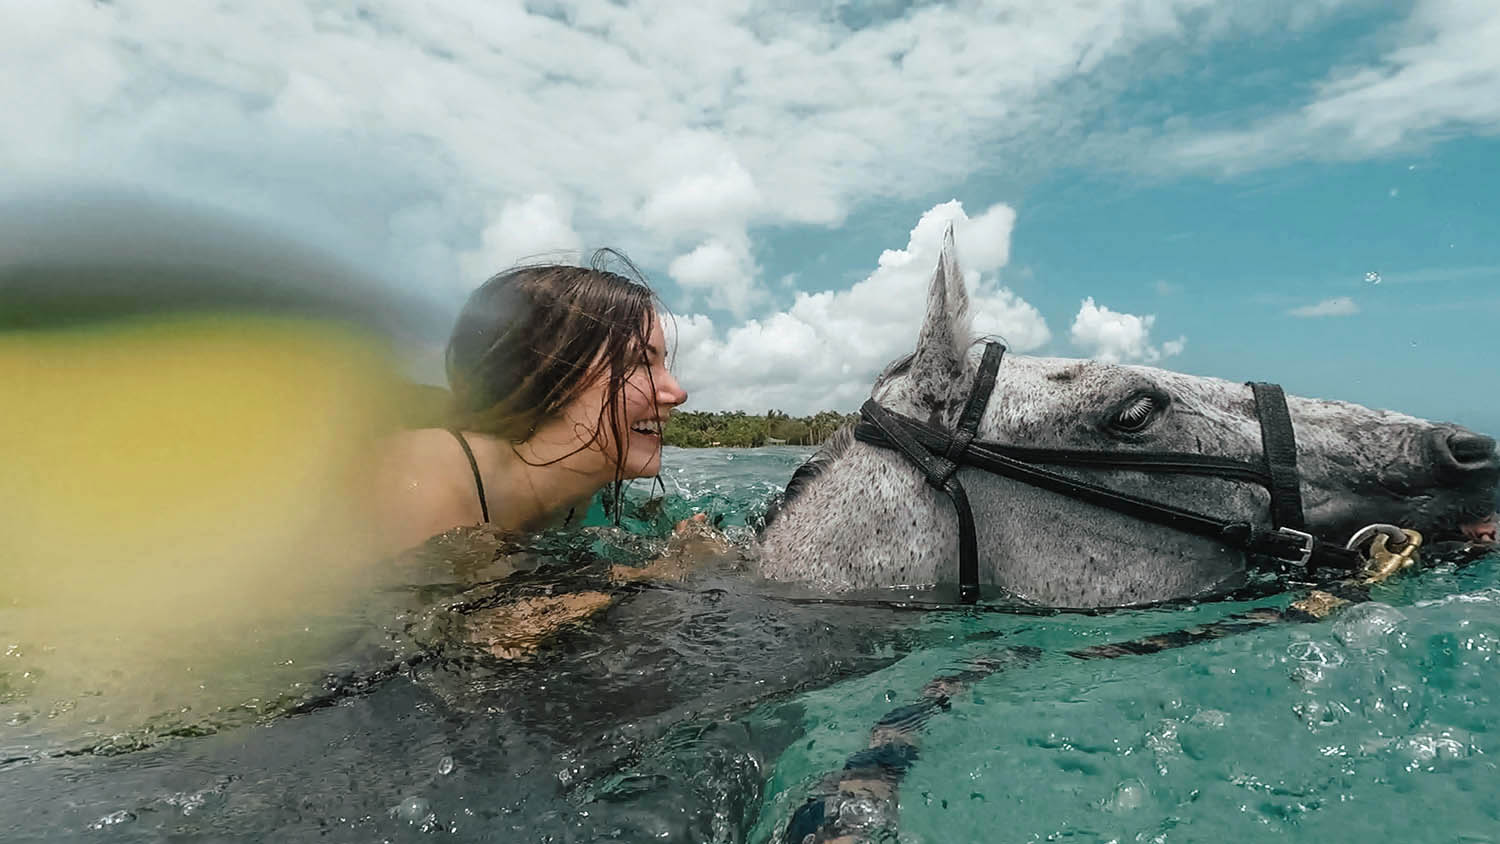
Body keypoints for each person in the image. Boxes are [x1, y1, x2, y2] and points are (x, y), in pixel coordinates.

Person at [372, 250, 689, 554]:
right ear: (550, 373)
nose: (677, 394)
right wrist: (661, 572)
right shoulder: (418, 482)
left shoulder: (576, 492)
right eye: (639, 362)